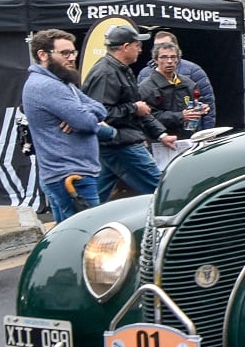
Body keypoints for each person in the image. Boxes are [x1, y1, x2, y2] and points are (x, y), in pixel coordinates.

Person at [22, 28, 113, 223]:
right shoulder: (47, 85)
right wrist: (80, 117)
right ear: (43, 55)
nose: (71, 58)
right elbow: (87, 123)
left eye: (73, 52)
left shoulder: (62, 83)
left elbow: (100, 109)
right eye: (65, 53)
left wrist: (80, 114)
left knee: (68, 236)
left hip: (67, 173)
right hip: (70, 176)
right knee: (87, 236)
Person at [84, 27, 171, 198]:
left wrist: (161, 134)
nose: (140, 49)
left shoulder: (120, 69)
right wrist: (134, 109)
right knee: (162, 192)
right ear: (125, 47)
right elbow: (100, 114)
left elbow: (138, 106)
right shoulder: (106, 72)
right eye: (137, 45)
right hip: (120, 144)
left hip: (114, 144)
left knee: (94, 198)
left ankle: (81, 221)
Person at [151, 30, 216, 130]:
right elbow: (146, 114)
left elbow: (207, 102)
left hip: (189, 132)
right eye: (157, 46)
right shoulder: (145, 75)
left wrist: (208, 131)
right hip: (160, 135)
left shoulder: (194, 71)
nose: (162, 49)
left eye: (166, 45)